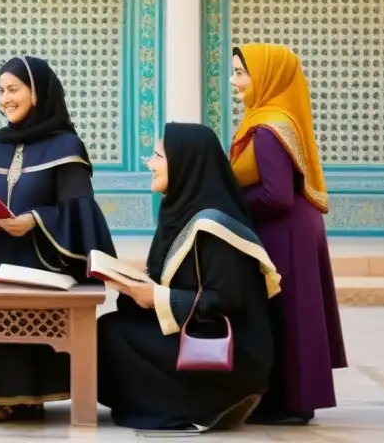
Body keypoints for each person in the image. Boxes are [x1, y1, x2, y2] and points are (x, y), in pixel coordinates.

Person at [0, 55, 116, 423]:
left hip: (44, 263)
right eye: (0, 90)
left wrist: (36, 219)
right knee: (6, 330)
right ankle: (9, 397)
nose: (4, 98)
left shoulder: (66, 146)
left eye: (13, 89)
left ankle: (42, 393)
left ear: (36, 93)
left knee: (38, 332)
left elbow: (80, 213)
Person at [98, 122, 281, 432]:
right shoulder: (178, 210)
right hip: (195, 325)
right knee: (110, 328)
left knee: (113, 336)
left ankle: (206, 404)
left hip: (230, 350)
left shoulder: (214, 225)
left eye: (158, 156)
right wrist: (133, 288)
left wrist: (156, 297)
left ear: (185, 162)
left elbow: (224, 300)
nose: (150, 163)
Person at [230, 44, 347, 424]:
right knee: (295, 312)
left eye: (241, 73)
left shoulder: (268, 128)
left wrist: (233, 206)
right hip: (295, 225)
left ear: (266, 77)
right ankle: (295, 400)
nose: (235, 82)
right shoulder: (273, 117)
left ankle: (286, 403)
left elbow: (276, 196)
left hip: (285, 230)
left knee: (286, 313)